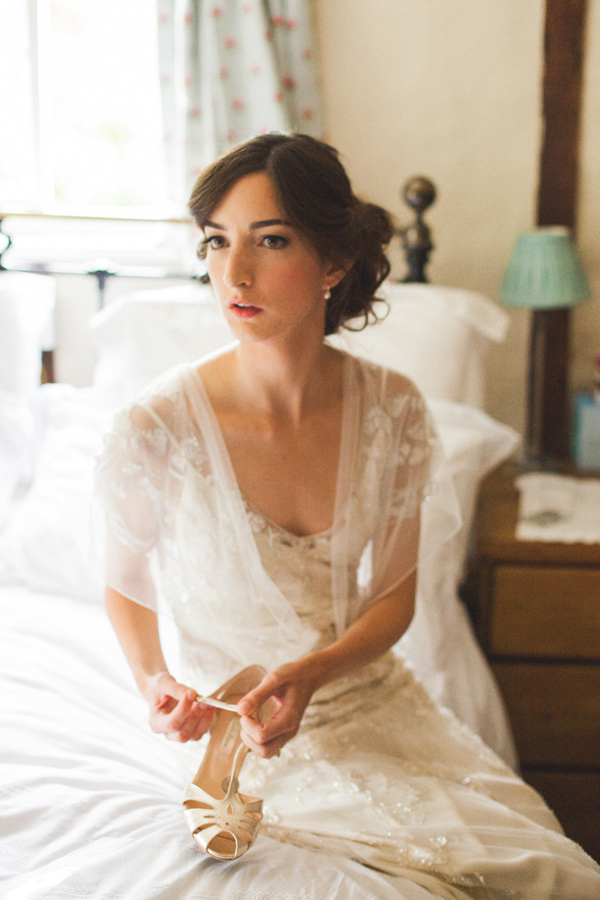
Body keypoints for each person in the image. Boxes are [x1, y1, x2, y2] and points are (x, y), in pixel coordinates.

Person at [95, 133, 600, 896]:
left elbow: (393, 598)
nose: (234, 272)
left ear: (333, 263)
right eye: (217, 242)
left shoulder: (393, 410)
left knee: (550, 871)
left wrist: (315, 671)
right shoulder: (156, 425)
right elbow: (127, 582)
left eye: (271, 240)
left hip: (367, 696)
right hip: (232, 733)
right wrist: (155, 681)